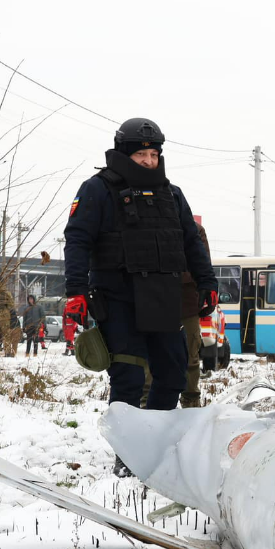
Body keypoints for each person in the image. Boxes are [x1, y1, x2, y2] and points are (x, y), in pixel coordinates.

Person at [62, 117, 217, 474]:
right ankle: (128, 457)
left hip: (163, 298)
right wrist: (75, 292)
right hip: (117, 298)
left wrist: (207, 282)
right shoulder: (96, 189)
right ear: (123, 154)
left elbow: (191, 242)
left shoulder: (171, 193)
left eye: (153, 154)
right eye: (141, 155)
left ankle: (156, 444)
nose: (149, 161)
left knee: (173, 374)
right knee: (129, 377)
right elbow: (78, 239)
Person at [178, 222, 213, 407]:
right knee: (150, 357)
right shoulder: (148, 224)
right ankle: (148, 405)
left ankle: (191, 402)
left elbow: (202, 265)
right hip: (154, 300)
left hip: (187, 302)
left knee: (191, 356)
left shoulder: (194, 229)